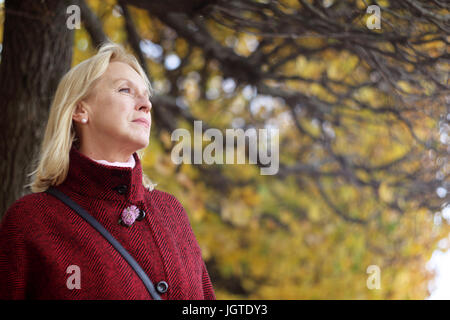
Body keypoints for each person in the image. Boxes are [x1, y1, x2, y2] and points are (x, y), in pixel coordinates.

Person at [0, 42, 215, 300]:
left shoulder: (172, 212)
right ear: (81, 110)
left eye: (146, 96)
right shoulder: (31, 220)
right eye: (125, 90)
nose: (145, 104)